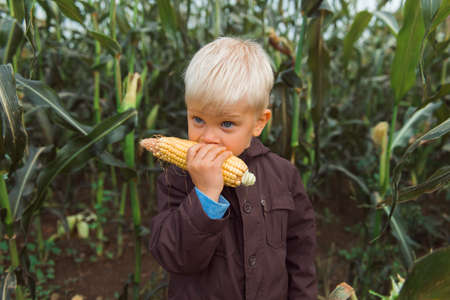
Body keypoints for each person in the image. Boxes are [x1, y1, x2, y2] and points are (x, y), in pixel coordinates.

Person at [149, 37, 317, 300]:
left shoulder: (284, 176)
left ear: (259, 122)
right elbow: (173, 256)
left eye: (226, 124)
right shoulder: (178, 177)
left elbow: (301, 255)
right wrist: (204, 194)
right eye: (198, 119)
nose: (208, 137)